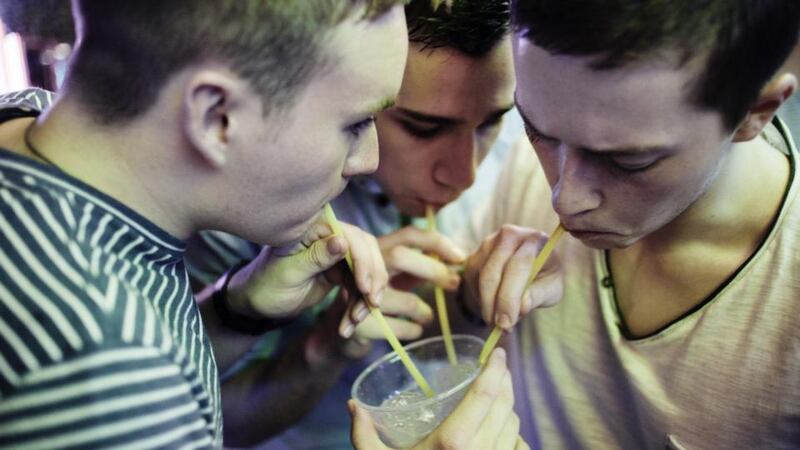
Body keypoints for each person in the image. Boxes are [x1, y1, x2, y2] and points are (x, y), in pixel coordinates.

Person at [0, 1, 408, 447]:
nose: (369, 160)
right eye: (356, 123)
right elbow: (123, 381)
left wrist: (232, 313)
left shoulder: (22, 117)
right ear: (216, 117)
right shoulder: (103, 363)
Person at [453, 0, 800, 448]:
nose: (565, 198)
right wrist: (468, 292)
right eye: (535, 128)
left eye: (628, 160)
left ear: (756, 110)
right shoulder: (536, 161)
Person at [183, 0, 522, 448]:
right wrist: (324, 345)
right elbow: (200, 424)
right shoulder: (248, 205)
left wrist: (472, 300)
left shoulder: (521, 156)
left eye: (490, 124)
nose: (464, 174)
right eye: (423, 128)